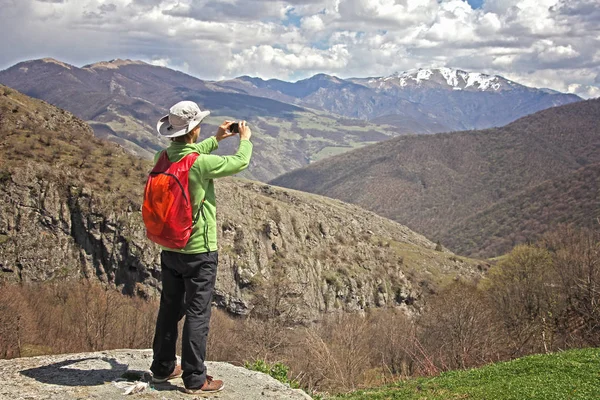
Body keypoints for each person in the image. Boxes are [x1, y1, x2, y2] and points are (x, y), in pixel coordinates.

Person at [149, 100, 252, 394]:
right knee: (197, 313)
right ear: (194, 131)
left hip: (170, 248)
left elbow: (188, 155)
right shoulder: (199, 164)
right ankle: (195, 378)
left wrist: (217, 139)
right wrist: (244, 140)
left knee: (169, 308)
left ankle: (163, 367)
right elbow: (239, 163)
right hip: (199, 251)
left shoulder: (163, 157)